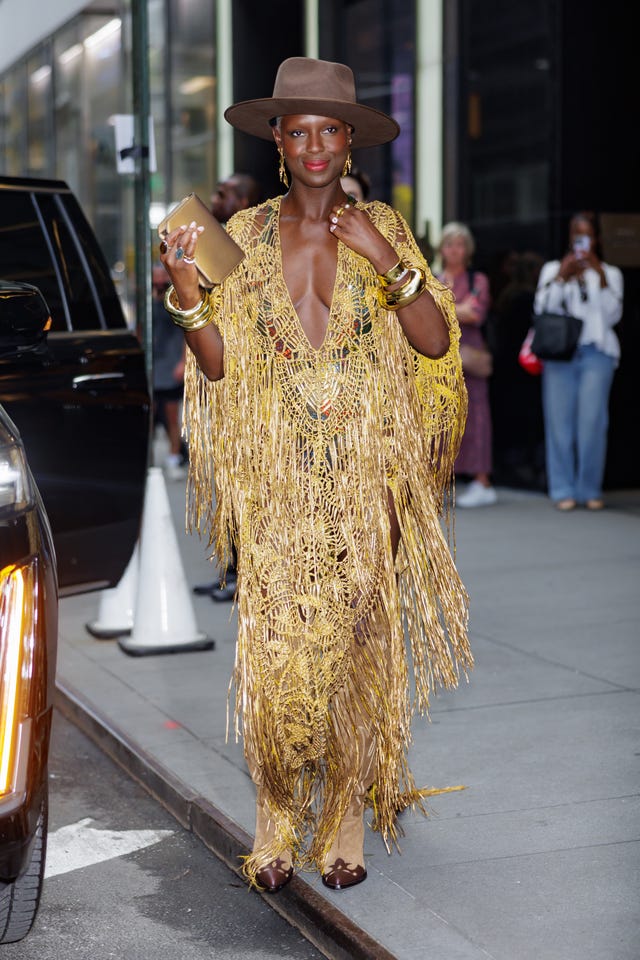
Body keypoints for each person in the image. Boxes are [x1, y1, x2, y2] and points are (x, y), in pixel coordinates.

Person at [158, 56, 471, 894]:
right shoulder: (245, 238)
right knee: (279, 646)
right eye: (298, 131)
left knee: (357, 647)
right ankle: (273, 820)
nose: (315, 146)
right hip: (281, 481)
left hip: (369, 477)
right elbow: (219, 368)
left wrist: (385, 257)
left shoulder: (384, 229)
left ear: (349, 139)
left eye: (330, 129)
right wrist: (187, 293)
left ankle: (342, 824)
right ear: (277, 140)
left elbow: (437, 346)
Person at [191, 171, 262, 600]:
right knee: (232, 481)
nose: (216, 199)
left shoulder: (254, 244)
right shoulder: (217, 241)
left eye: (225, 193)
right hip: (222, 378)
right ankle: (233, 567)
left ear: (244, 200)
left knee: (250, 483)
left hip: (252, 385)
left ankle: (248, 573)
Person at [533, 211, 623, 511]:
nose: (581, 240)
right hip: (560, 354)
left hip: (595, 352)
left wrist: (598, 276)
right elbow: (542, 309)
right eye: (576, 234)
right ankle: (562, 489)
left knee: (593, 424)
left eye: (586, 234)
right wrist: (562, 276)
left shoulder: (610, 273)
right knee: (559, 425)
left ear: (596, 239)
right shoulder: (551, 270)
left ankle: (589, 488)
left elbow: (612, 315)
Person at [436, 222, 496, 506]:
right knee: (442, 417)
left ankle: (482, 481)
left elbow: (476, 314)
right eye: (450, 244)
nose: (455, 250)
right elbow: (426, 314)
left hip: (470, 356)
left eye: (460, 244)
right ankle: (441, 478)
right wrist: (459, 308)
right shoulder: (433, 278)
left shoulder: (478, 279)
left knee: (477, 415)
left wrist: (445, 307)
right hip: (438, 358)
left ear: (467, 250)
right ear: (442, 249)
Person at [152, 264, 187, 480]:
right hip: (154, 367)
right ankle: (156, 462)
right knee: (154, 416)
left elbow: (186, 333)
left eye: (162, 276)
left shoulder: (175, 299)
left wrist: (183, 362)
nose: (158, 280)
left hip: (171, 365)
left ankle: (174, 458)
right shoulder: (148, 301)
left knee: (172, 417)